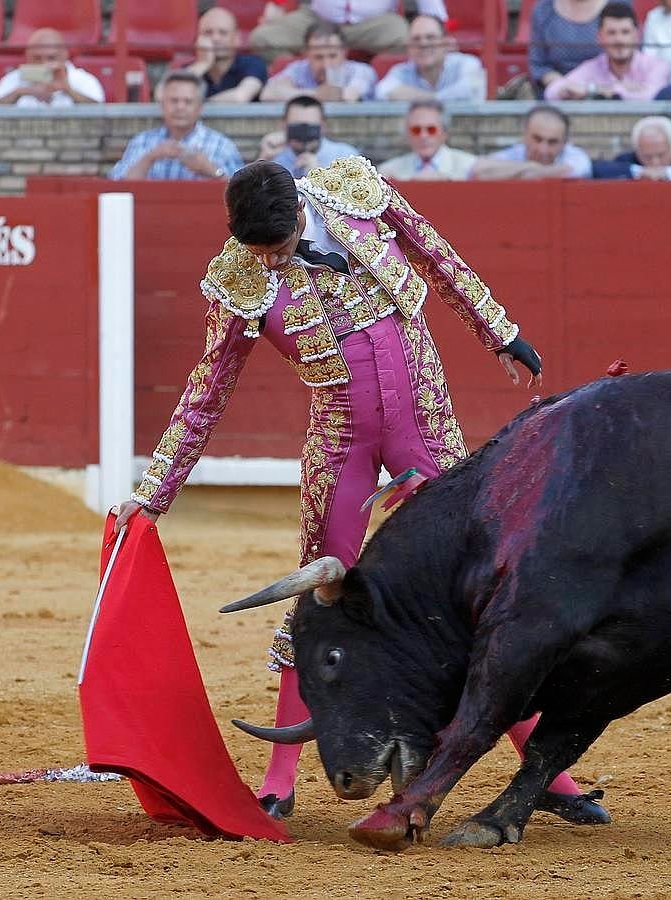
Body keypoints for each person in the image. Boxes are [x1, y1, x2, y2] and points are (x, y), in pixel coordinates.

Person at [112, 156, 609, 829]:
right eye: (257, 253)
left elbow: (435, 252)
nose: (270, 264)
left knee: (482, 590)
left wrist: (499, 330)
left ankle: (548, 773)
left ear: (297, 211)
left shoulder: (352, 190)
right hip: (340, 443)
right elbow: (207, 389)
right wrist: (155, 492)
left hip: (424, 428)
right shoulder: (237, 277)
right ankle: (279, 778)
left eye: (280, 249)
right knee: (318, 598)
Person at [110, 71, 245, 181]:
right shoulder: (142, 142)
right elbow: (118, 187)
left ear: (200, 107)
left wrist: (211, 170)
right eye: (174, 101)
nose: (180, 107)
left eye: (188, 102)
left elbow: (243, 195)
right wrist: (150, 157)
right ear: (162, 105)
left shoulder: (222, 146)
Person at [544, 2, 671, 100]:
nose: (619, 40)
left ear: (637, 34)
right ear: (600, 37)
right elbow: (551, 92)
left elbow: (651, 97)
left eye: (625, 32)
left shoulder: (656, 66)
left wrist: (592, 90)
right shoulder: (593, 66)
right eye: (611, 33)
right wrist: (598, 89)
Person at [250, 0, 445, 61]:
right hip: (318, 19)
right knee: (263, 38)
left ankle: (379, 91)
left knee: (410, 41)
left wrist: (437, 24)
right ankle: (305, 77)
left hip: (375, 22)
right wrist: (276, 5)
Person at [372, 14, 486, 102]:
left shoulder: (466, 63)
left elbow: (471, 90)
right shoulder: (401, 71)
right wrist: (436, 99)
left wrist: (429, 100)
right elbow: (382, 92)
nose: (423, 44)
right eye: (416, 39)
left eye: (430, 37)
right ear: (409, 46)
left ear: (445, 42)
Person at [260, 23, 378, 103]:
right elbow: (268, 94)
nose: (326, 64)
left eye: (332, 56)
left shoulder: (361, 70)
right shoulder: (298, 69)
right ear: (307, 54)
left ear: (344, 52)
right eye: (318, 57)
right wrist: (315, 94)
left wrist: (298, 95)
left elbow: (349, 96)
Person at [0, 28, 104, 107]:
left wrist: (68, 90)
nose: (44, 64)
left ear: (64, 55)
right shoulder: (15, 78)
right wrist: (22, 92)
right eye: (37, 58)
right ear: (28, 56)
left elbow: (101, 112)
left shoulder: (82, 79)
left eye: (51, 58)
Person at [472, 104, 594, 179]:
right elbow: (480, 172)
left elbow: (576, 171)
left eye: (552, 142)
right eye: (537, 139)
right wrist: (531, 167)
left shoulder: (576, 156)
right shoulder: (513, 153)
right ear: (524, 135)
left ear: (565, 142)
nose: (543, 150)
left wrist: (517, 172)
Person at [257, 96, 360, 177]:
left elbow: (358, 200)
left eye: (311, 127)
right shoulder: (274, 158)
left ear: (323, 126)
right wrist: (263, 160)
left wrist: (320, 177)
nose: (304, 133)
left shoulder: (346, 157)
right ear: (284, 125)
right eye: (297, 127)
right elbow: (247, 197)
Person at [378, 100, 479, 181]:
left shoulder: (470, 166)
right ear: (408, 135)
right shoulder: (389, 171)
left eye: (431, 130)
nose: (423, 136)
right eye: (416, 130)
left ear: (444, 133)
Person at [186, 7, 268, 103]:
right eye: (208, 33)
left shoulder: (254, 64)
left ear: (237, 39)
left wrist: (197, 106)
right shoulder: (190, 70)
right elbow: (167, 100)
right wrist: (202, 64)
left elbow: (240, 97)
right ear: (197, 40)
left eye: (223, 33)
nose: (215, 38)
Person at [591, 115, 671, 180]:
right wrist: (640, 172)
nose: (655, 163)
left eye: (661, 155)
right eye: (647, 157)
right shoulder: (628, 160)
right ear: (637, 151)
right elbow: (599, 169)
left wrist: (668, 173)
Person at [530, 0, 609, 95]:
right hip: (559, 93)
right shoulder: (544, 9)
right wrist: (565, 87)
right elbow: (539, 65)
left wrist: (590, 90)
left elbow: (625, 58)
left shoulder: (618, 4)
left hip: (608, 92)